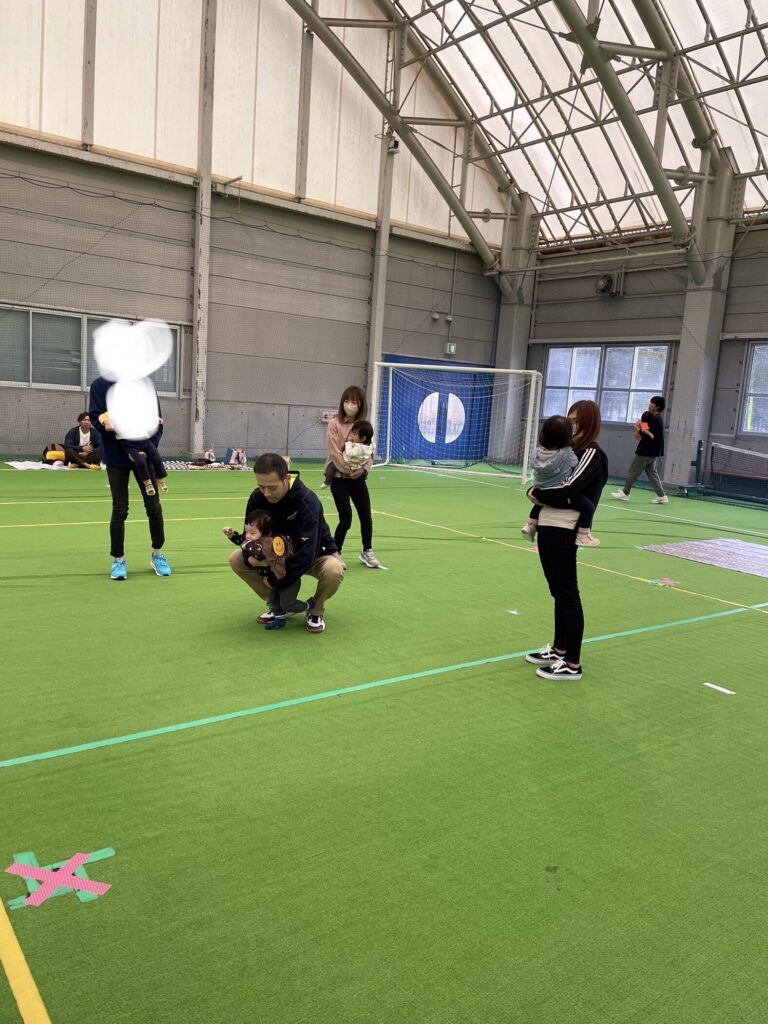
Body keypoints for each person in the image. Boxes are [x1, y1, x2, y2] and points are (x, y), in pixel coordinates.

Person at [524, 400, 608, 681]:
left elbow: (567, 489)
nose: (571, 425)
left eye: (576, 420)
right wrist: (536, 493)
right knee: (558, 592)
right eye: (569, 420)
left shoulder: (591, 453)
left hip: (565, 528)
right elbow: (548, 483)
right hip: (548, 524)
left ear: (588, 423)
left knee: (568, 593)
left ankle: (572, 663)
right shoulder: (565, 451)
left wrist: (537, 494)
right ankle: (559, 649)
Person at [229, 453, 344, 633]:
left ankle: (315, 608)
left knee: (333, 569)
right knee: (236, 559)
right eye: (261, 487)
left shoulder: (307, 501)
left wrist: (275, 579)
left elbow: (306, 554)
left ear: (287, 479)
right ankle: (277, 606)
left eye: (272, 488)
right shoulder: (257, 498)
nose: (266, 493)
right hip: (276, 555)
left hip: (312, 554)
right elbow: (249, 536)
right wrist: (255, 557)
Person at [88, 377, 171, 580]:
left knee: (153, 506)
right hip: (116, 457)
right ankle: (118, 559)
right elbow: (97, 419)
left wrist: (143, 448)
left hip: (143, 454)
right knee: (119, 508)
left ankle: (158, 554)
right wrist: (124, 444)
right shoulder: (100, 385)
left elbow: (157, 422)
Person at [520, 415, 600, 547]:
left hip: (541, 486)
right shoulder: (567, 453)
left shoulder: (537, 452)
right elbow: (575, 464)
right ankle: (583, 535)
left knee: (539, 503)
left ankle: (531, 525)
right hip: (559, 490)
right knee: (588, 507)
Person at [324, 386, 381, 569]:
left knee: (366, 516)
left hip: (358, 479)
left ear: (361, 405)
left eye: (354, 402)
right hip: (339, 478)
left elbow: (370, 451)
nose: (350, 405)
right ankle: (336, 552)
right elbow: (334, 452)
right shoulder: (334, 424)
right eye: (347, 401)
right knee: (346, 518)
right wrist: (347, 469)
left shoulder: (364, 425)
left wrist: (363, 469)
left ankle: (367, 550)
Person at [223, 511, 306, 629]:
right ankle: (279, 619)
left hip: (286, 579)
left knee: (288, 604)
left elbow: (259, 554)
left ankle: (310, 606)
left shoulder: (269, 542)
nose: (248, 536)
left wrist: (245, 544)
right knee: (274, 601)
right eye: (246, 531)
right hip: (273, 579)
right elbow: (242, 540)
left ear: (265, 532)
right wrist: (232, 535)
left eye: (252, 533)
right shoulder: (254, 540)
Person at [611, 396, 668, 504]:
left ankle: (625, 493)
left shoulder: (656, 419)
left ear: (657, 407)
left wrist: (638, 428)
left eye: (652, 403)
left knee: (632, 471)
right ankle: (662, 496)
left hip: (646, 451)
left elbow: (649, 435)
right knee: (652, 473)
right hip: (652, 452)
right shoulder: (655, 417)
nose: (649, 404)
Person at [116, 429, 168, 497]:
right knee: (140, 461)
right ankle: (148, 483)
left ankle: (160, 480)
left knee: (157, 458)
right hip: (128, 443)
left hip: (144, 440)